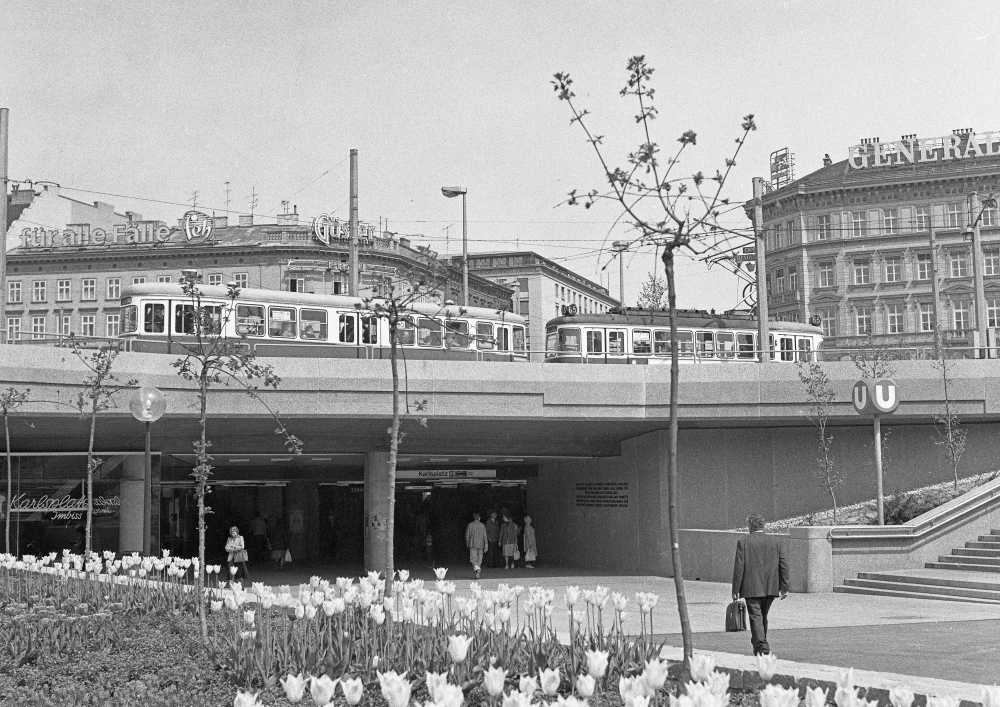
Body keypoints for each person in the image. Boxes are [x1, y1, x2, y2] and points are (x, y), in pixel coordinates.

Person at [732, 513, 789, 656]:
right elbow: (783, 564)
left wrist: (735, 589)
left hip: (751, 587)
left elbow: (739, 567)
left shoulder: (743, 542)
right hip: (771, 586)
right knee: (762, 616)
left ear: (750, 525)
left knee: (756, 617)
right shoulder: (776, 541)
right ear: (763, 525)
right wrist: (784, 586)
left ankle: (763, 648)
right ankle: (759, 647)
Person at [465, 512, 487, 578]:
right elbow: (485, 535)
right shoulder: (482, 525)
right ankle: (478, 571)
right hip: (481, 544)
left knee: (473, 559)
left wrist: (467, 542)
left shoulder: (470, 525)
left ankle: (477, 569)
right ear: (479, 518)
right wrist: (486, 544)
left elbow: (467, 535)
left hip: (472, 544)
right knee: (480, 558)